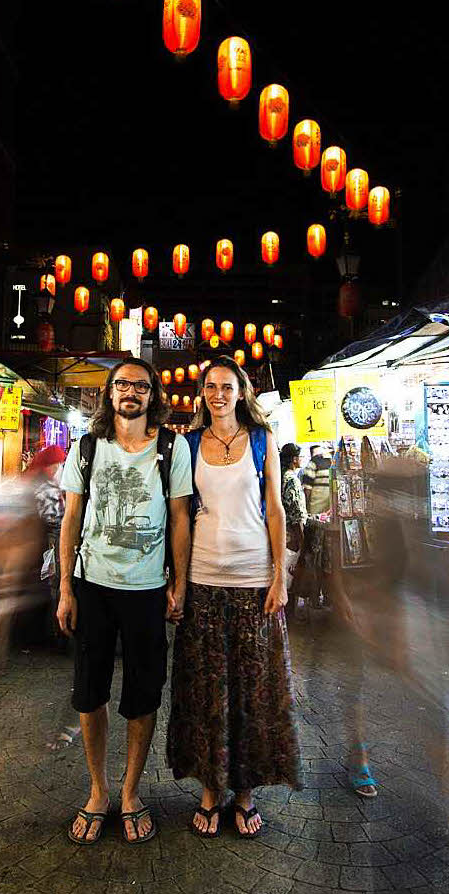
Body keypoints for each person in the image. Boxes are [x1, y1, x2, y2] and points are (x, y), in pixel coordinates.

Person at [58, 358, 192, 845]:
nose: (129, 392)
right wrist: (65, 588)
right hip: (92, 585)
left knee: (142, 693)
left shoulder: (171, 448)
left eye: (139, 385)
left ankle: (132, 792)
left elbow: (180, 518)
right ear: (109, 394)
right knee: (88, 692)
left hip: (147, 589)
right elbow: (71, 519)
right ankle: (98, 790)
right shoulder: (88, 447)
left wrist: (180, 582)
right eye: (121, 384)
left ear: (152, 394)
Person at [166, 356, 301, 839]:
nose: (218, 393)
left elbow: (275, 510)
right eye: (211, 386)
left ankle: (243, 793)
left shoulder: (262, 442)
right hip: (203, 578)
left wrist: (279, 577)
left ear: (241, 392)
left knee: (252, 690)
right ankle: (209, 790)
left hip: (252, 579)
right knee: (205, 690)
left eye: (227, 386)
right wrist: (178, 582)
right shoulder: (188, 444)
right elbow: (180, 518)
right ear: (202, 393)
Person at [280, 442, 307, 615]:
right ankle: (290, 614)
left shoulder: (279, 475)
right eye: (301, 456)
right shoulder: (292, 480)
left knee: (283, 574)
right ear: (295, 459)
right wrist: (303, 543)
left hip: (280, 532)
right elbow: (297, 514)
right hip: (291, 535)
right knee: (291, 575)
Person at [301, 443, 332, 516]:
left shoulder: (313, 462)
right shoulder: (332, 462)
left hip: (315, 508)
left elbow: (307, 488)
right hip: (330, 508)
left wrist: (305, 507)